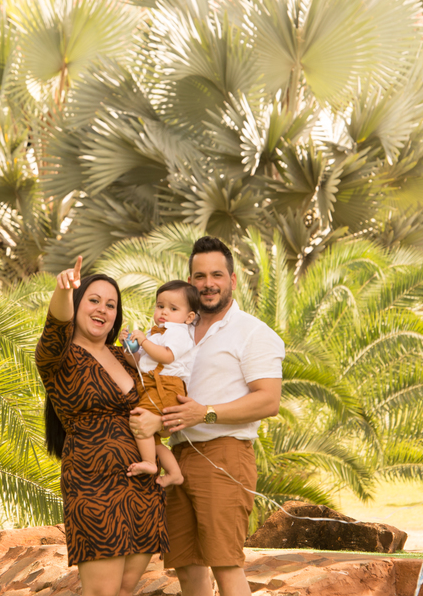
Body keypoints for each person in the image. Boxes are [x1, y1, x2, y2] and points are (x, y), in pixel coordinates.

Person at [129, 237, 285, 596]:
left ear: (232, 279)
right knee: (187, 566)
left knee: (225, 564)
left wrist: (207, 413)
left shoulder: (253, 333)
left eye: (216, 274)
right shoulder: (174, 332)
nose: (208, 283)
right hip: (179, 457)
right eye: (199, 276)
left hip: (224, 456)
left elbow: (268, 401)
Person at [36, 256, 167, 596]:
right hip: (94, 485)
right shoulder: (59, 356)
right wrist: (64, 289)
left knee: (124, 590)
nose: (102, 309)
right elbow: (55, 324)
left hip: (141, 484)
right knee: (101, 593)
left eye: (111, 305)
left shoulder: (124, 355)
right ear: (77, 305)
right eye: (93, 300)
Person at [122, 280, 201, 487]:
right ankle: (174, 472)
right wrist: (128, 346)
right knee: (153, 439)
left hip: (166, 385)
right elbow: (137, 362)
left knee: (141, 422)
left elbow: (166, 357)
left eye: (173, 308)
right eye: (160, 306)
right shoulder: (154, 333)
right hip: (150, 384)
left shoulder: (179, 333)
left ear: (189, 317)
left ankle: (149, 462)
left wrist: (144, 342)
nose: (164, 312)